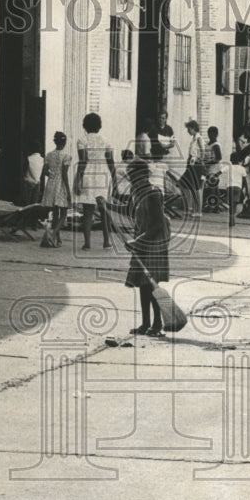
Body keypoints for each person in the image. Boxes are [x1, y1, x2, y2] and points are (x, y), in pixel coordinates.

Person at [123, 160, 170, 337]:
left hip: (155, 241)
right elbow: (126, 210)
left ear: (144, 175)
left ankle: (157, 323)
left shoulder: (153, 193)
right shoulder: (135, 191)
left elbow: (157, 225)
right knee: (143, 284)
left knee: (152, 284)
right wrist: (106, 206)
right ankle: (145, 324)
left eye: (134, 177)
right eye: (130, 178)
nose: (132, 181)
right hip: (142, 239)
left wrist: (137, 241)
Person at [74, 112, 116, 249]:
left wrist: (77, 179)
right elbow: (110, 161)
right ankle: (107, 241)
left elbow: (82, 161)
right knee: (104, 210)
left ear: (85, 126)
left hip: (89, 174)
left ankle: (87, 243)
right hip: (103, 173)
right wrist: (114, 179)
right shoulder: (106, 139)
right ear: (99, 125)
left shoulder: (82, 140)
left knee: (88, 211)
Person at [39, 131, 72, 247]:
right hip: (61, 184)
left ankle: (58, 239)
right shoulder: (66, 156)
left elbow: (44, 171)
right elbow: (64, 174)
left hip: (51, 184)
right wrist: (68, 191)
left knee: (55, 212)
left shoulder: (49, 155)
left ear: (55, 142)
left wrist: (52, 176)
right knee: (63, 212)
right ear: (65, 142)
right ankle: (53, 235)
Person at [180, 119, 206, 218]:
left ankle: (198, 211)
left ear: (193, 128)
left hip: (196, 165)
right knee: (184, 183)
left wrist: (200, 161)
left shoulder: (199, 138)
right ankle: (189, 207)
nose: (188, 131)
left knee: (197, 188)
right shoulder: (193, 138)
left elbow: (203, 151)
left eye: (189, 129)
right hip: (191, 163)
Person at [203, 126, 224, 213]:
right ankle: (215, 206)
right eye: (209, 134)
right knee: (212, 188)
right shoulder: (208, 144)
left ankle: (213, 206)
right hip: (209, 168)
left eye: (213, 134)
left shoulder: (216, 145)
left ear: (216, 135)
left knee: (212, 188)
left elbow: (218, 158)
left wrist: (208, 163)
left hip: (214, 168)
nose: (210, 136)